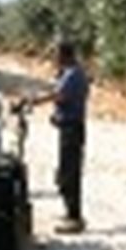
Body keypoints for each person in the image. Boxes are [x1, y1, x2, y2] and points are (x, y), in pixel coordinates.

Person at [21, 41, 89, 234]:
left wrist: (34, 101)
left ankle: (74, 217)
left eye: (56, 55)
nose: (54, 59)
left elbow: (59, 95)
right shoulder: (69, 73)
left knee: (69, 173)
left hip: (71, 129)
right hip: (67, 128)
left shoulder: (73, 75)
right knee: (65, 171)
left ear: (65, 55)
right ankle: (70, 212)